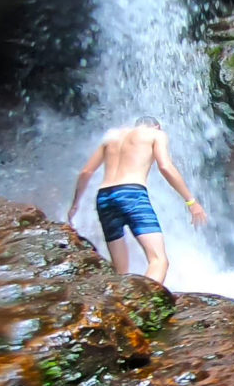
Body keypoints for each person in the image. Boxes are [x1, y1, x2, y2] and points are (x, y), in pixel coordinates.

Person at [67, 117, 207, 284]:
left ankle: (121, 306)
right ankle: (144, 305)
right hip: (131, 194)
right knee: (159, 260)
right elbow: (165, 166)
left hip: (104, 198)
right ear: (156, 126)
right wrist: (191, 202)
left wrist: (75, 204)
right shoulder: (155, 134)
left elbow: (86, 172)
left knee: (120, 272)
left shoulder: (112, 137)